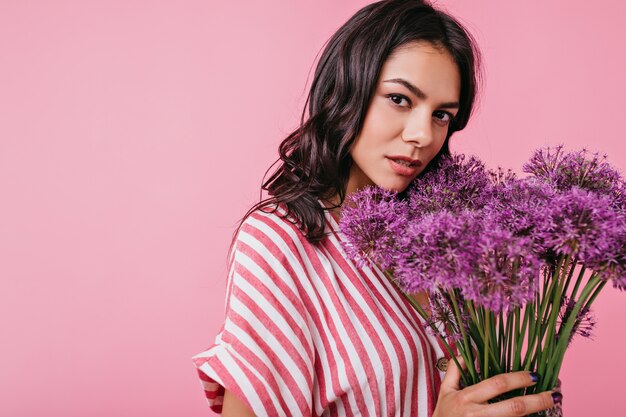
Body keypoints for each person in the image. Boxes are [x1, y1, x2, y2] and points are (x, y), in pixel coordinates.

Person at [192, 1, 562, 416]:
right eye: (400, 99)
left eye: (442, 115)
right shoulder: (279, 242)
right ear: (343, 90)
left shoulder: (448, 233)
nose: (422, 135)